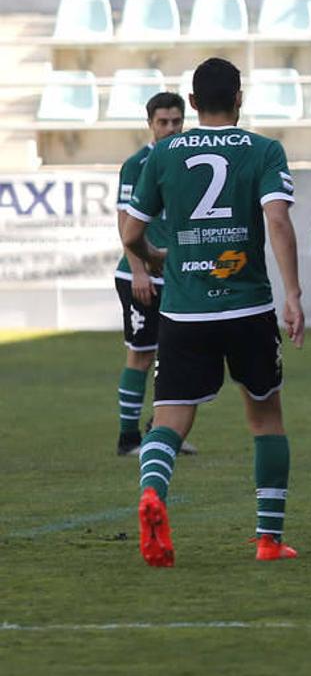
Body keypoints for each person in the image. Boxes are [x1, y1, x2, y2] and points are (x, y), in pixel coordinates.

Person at [122, 57, 305, 567]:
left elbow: (132, 233)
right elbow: (278, 221)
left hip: (184, 310)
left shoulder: (163, 154)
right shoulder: (264, 150)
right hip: (247, 305)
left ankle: (153, 492)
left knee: (170, 420)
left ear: (194, 104)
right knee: (266, 417)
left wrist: (155, 258)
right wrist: (293, 293)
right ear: (240, 98)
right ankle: (269, 541)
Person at [114, 92, 196, 458]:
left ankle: (159, 431)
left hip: (177, 275)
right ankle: (127, 437)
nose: (170, 128)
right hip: (143, 274)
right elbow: (125, 221)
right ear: (150, 124)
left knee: (176, 355)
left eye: (176, 121)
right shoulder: (138, 163)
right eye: (163, 122)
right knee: (142, 355)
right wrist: (138, 271)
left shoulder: (189, 160)